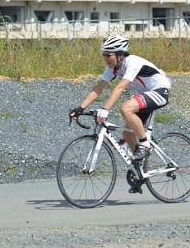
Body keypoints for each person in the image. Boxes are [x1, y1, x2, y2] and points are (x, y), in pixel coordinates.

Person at [69, 34, 171, 162]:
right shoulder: (113, 67)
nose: (105, 58)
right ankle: (139, 166)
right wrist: (80, 108)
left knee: (125, 108)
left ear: (120, 55)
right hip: (144, 95)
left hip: (159, 92)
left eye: (108, 55)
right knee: (127, 134)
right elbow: (99, 88)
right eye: (103, 54)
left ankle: (145, 145)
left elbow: (120, 87)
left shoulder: (133, 62)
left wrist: (105, 109)